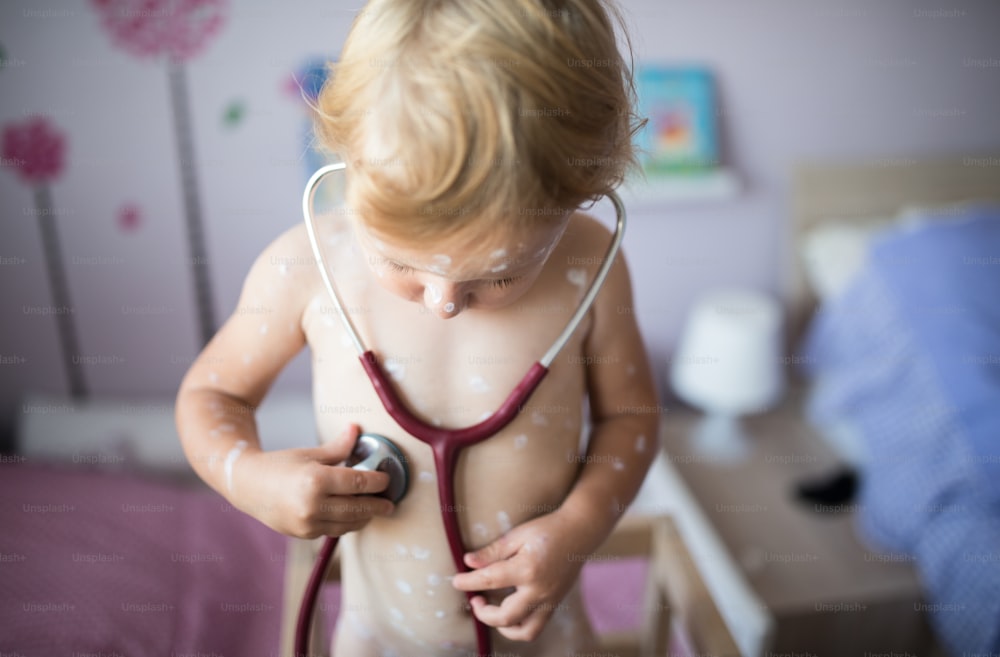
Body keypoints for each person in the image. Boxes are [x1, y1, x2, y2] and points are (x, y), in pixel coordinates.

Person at [175, 0, 659, 654]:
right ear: (350, 165)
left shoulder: (590, 264)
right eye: (401, 261)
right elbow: (211, 397)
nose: (443, 300)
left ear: (579, 195)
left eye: (498, 274)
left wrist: (577, 527)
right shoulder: (304, 268)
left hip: (546, 637)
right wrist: (250, 478)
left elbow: (630, 417)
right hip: (381, 636)